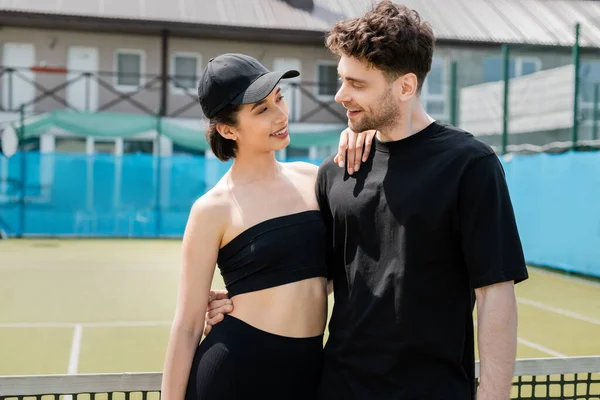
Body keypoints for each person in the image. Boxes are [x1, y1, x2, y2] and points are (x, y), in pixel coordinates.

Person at [205, 2, 529, 399]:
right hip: (338, 388)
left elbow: (495, 294)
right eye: (342, 79)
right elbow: (317, 280)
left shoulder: (470, 165)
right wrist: (238, 305)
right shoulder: (336, 171)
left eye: (358, 85)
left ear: (406, 87)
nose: (341, 95)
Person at [160, 53, 374, 400]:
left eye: (279, 99)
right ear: (228, 129)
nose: (280, 116)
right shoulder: (212, 209)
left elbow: (328, 276)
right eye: (261, 110)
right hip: (236, 373)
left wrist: (365, 132)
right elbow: (186, 327)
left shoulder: (315, 178)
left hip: (309, 372)